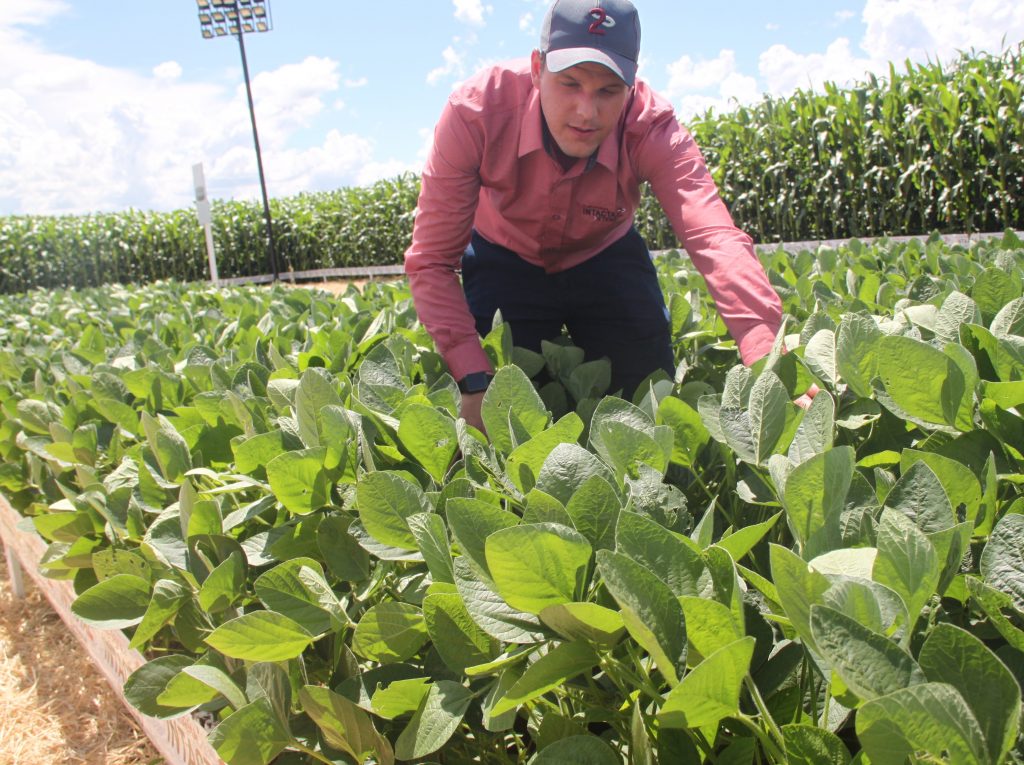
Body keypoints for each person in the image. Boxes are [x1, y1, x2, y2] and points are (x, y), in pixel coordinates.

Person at [405, 0, 803, 433]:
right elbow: (431, 260)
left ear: (632, 85)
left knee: (644, 401)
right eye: (570, 83)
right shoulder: (476, 113)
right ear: (538, 69)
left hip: (604, 254)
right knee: (509, 411)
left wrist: (769, 360)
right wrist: (474, 377)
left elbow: (714, 238)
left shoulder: (652, 128)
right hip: (504, 256)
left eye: (608, 90)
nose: (586, 112)